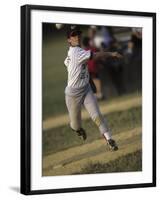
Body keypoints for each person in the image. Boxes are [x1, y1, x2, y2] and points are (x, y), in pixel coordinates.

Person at [64, 26, 121, 151]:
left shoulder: (74, 52)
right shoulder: (77, 53)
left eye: (78, 34)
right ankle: (78, 129)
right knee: (75, 124)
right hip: (73, 94)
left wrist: (87, 80)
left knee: (97, 115)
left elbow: (70, 64)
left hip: (86, 89)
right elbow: (97, 55)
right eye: (73, 35)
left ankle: (110, 139)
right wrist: (111, 53)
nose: (77, 36)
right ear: (69, 40)